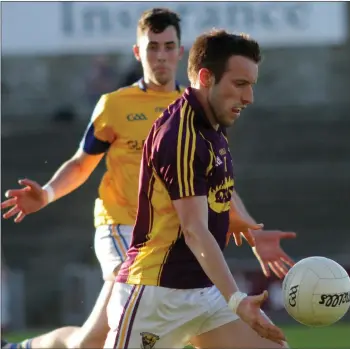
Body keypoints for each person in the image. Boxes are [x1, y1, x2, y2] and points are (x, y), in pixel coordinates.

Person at [1, 9, 295, 349]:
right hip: (132, 240)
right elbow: (83, 163)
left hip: (193, 277)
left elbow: (217, 190)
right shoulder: (126, 108)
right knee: (97, 334)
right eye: (152, 47)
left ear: (180, 53)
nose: (161, 55)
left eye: (169, 46)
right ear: (138, 52)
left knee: (87, 342)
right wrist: (49, 193)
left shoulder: (209, 116)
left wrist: (251, 230)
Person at [104, 30, 290, 349]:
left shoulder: (213, 125)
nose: (249, 98)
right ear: (206, 77)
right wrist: (236, 300)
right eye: (240, 84)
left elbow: (221, 190)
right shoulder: (180, 135)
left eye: (251, 86)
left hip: (204, 291)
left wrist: (251, 229)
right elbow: (194, 230)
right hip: (156, 295)